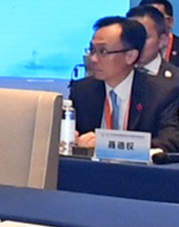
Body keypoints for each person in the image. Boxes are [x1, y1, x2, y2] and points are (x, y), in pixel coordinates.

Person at [69, 15, 179, 155]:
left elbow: (171, 142)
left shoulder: (162, 94)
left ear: (130, 56)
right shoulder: (82, 91)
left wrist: (108, 144)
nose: (93, 59)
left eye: (103, 51)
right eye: (92, 50)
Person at [128, 4, 170, 78]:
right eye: (131, 37)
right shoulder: (111, 76)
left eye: (144, 37)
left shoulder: (176, 80)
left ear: (162, 40)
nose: (137, 43)